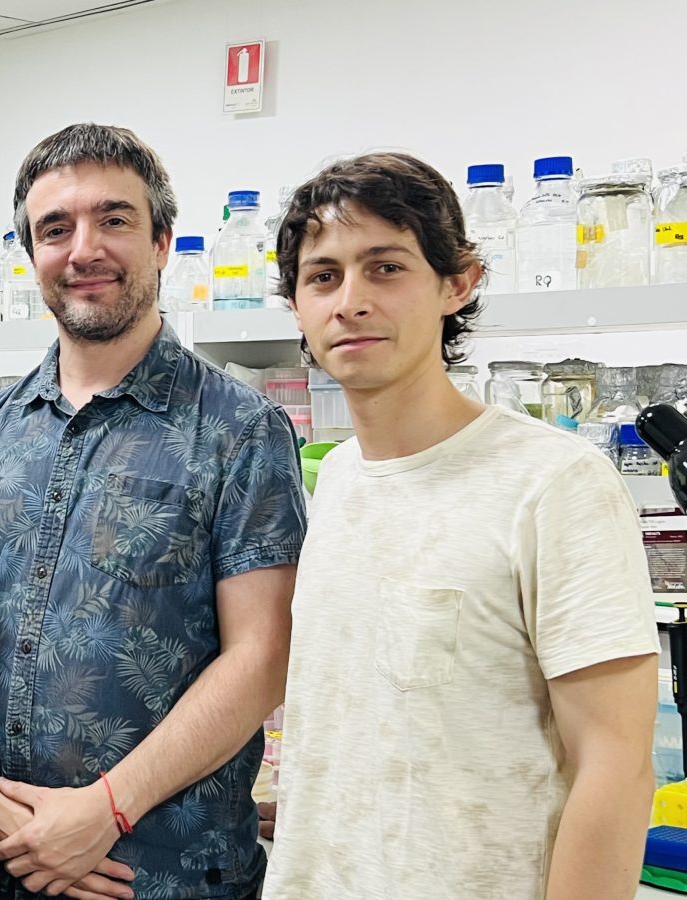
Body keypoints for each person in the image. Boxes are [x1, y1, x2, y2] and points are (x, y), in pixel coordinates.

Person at [262, 152, 657, 900]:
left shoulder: (553, 483)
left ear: (458, 283)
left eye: (385, 268)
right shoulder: (337, 477)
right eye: (324, 276)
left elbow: (617, 767)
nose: (350, 302)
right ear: (297, 307)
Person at [0, 123, 307, 900]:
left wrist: (107, 809)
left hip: (157, 874)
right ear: (31, 254)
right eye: (55, 229)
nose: (84, 249)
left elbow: (262, 655)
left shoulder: (239, 430)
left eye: (113, 219)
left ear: (162, 241)